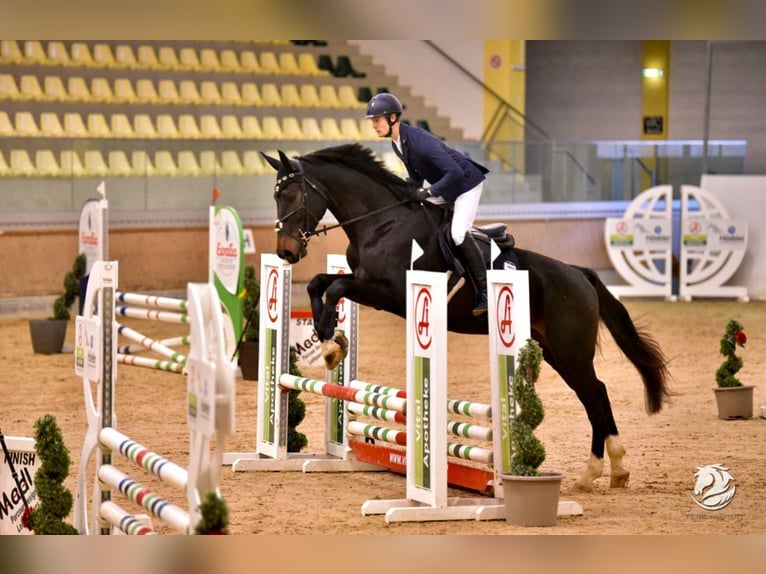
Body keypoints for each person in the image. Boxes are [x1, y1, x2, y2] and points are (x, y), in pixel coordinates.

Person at [365, 92, 490, 316]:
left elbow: (455, 172)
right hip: (448, 186)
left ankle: (484, 291)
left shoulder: (419, 142)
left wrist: (430, 191)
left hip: (466, 185)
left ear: (392, 118)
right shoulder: (398, 144)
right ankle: (445, 267)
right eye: (373, 121)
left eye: (377, 120)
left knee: (459, 234)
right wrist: (401, 194)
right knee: (416, 213)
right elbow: (415, 179)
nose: (374, 126)